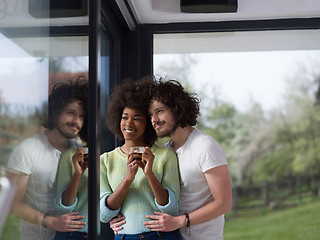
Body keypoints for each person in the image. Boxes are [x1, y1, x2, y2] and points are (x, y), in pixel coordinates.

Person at [111, 77, 232, 240]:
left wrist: (179, 222)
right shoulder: (166, 152)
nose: (154, 120)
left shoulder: (205, 146)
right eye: (150, 114)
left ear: (177, 109)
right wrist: (118, 219)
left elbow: (223, 204)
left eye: (159, 111)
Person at [6, 77, 88, 240]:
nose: (76, 121)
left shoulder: (79, 152)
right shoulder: (27, 150)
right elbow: (11, 203)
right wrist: (50, 221)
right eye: (71, 113)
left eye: (82, 116)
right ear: (56, 112)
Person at [100, 79, 181, 240]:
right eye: (125, 117)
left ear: (148, 124)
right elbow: (103, 214)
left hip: (160, 236)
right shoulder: (106, 160)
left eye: (137, 118)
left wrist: (149, 173)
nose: (129, 123)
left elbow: (171, 209)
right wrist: (128, 179)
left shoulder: (165, 155)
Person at [54, 146, 89, 239]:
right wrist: (77, 175)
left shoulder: (113, 155)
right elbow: (63, 207)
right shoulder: (72, 156)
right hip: (75, 234)